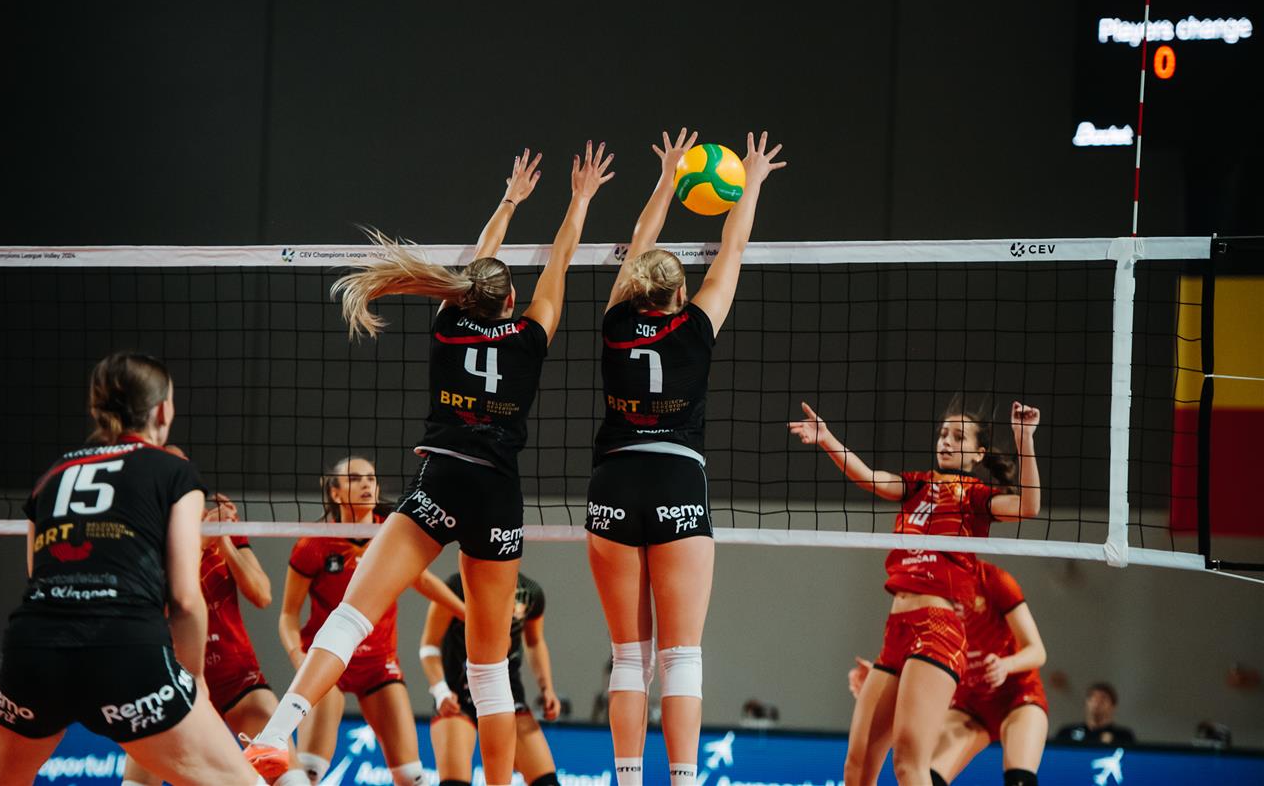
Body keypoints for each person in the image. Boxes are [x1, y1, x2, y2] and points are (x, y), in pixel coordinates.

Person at [245, 144, 613, 786]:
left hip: (440, 481)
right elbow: (560, 262)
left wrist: (509, 201)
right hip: (495, 494)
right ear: (514, 300)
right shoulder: (531, 337)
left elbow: (476, 265)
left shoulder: (447, 326)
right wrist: (579, 200)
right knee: (490, 672)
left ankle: (276, 736)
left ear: (464, 296)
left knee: (349, 617)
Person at [586, 129, 786, 786]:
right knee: (681, 657)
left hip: (615, 480)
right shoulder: (698, 326)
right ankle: (682, 781)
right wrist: (750, 182)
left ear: (637, 285)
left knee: (628, 657)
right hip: (676, 478)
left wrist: (668, 178)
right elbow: (733, 249)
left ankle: (626, 779)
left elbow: (641, 240)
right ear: (680, 294)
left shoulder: (616, 322)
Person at [0, 352, 264, 786]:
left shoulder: (51, 477)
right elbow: (184, 598)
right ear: (163, 410)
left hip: (33, 655)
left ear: (96, 409)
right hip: (126, 654)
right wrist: (194, 682)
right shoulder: (175, 472)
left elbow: (38, 580)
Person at [789, 396, 1041, 786]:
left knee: (908, 763)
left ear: (978, 454)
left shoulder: (976, 497)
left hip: (937, 629)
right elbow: (869, 477)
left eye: (958, 437)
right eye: (943, 434)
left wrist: (1024, 439)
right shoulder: (916, 485)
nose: (946, 441)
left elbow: (1028, 506)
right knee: (857, 766)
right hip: (897, 629)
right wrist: (826, 439)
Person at [280, 456, 464, 785]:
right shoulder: (313, 544)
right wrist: (299, 657)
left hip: (379, 665)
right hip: (329, 661)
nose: (366, 484)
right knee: (309, 772)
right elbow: (288, 614)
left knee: (412, 776)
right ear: (335, 492)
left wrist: (468, 614)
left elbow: (420, 579)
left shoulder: (392, 531)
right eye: (355, 478)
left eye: (371, 478)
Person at [123, 489, 311, 786]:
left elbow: (261, 595)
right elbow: (158, 607)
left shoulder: (221, 528)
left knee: (290, 775)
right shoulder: (143, 538)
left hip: (236, 677)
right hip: (172, 680)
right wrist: (199, 543)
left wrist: (224, 541)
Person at [848, 560, 1049, 786]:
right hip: (969, 707)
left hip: (1018, 696)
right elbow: (916, 653)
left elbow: (1037, 651)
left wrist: (1006, 665)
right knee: (921, 774)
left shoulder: (993, 580)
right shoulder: (924, 584)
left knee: (1020, 779)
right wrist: (884, 681)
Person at [419, 572, 560, 786]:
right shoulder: (458, 585)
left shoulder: (530, 592)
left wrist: (547, 688)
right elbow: (429, 645)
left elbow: (535, 642)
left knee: (547, 782)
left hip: (508, 698)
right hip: (457, 699)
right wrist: (441, 691)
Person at [1054, 682, 1135, 746]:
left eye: (1103, 699)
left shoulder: (1123, 737)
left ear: (1113, 706)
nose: (1096, 703)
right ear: (1086, 703)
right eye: (1092, 698)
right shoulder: (1067, 733)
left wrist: (1112, 743)